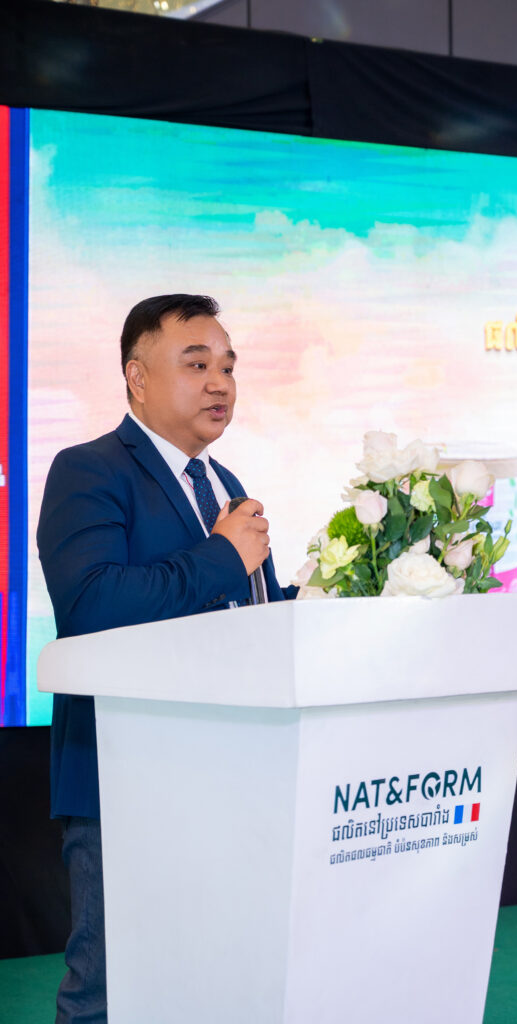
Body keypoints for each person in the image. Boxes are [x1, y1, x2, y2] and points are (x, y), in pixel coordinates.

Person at [37, 294, 295, 1024]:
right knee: (110, 992)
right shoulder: (88, 470)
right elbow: (91, 605)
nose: (220, 383)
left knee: (207, 985)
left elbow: (247, 615)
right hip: (125, 781)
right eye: (197, 364)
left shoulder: (226, 484)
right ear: (137, 377)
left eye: (228, 368)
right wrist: (221, 557)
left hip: (228, 777)